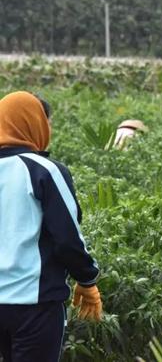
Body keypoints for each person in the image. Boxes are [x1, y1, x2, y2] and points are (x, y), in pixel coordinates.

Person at [0, 91, 102, 362]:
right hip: (35, 304)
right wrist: (87, 279)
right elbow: (67, 236)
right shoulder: (43, 170)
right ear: (35, 124)